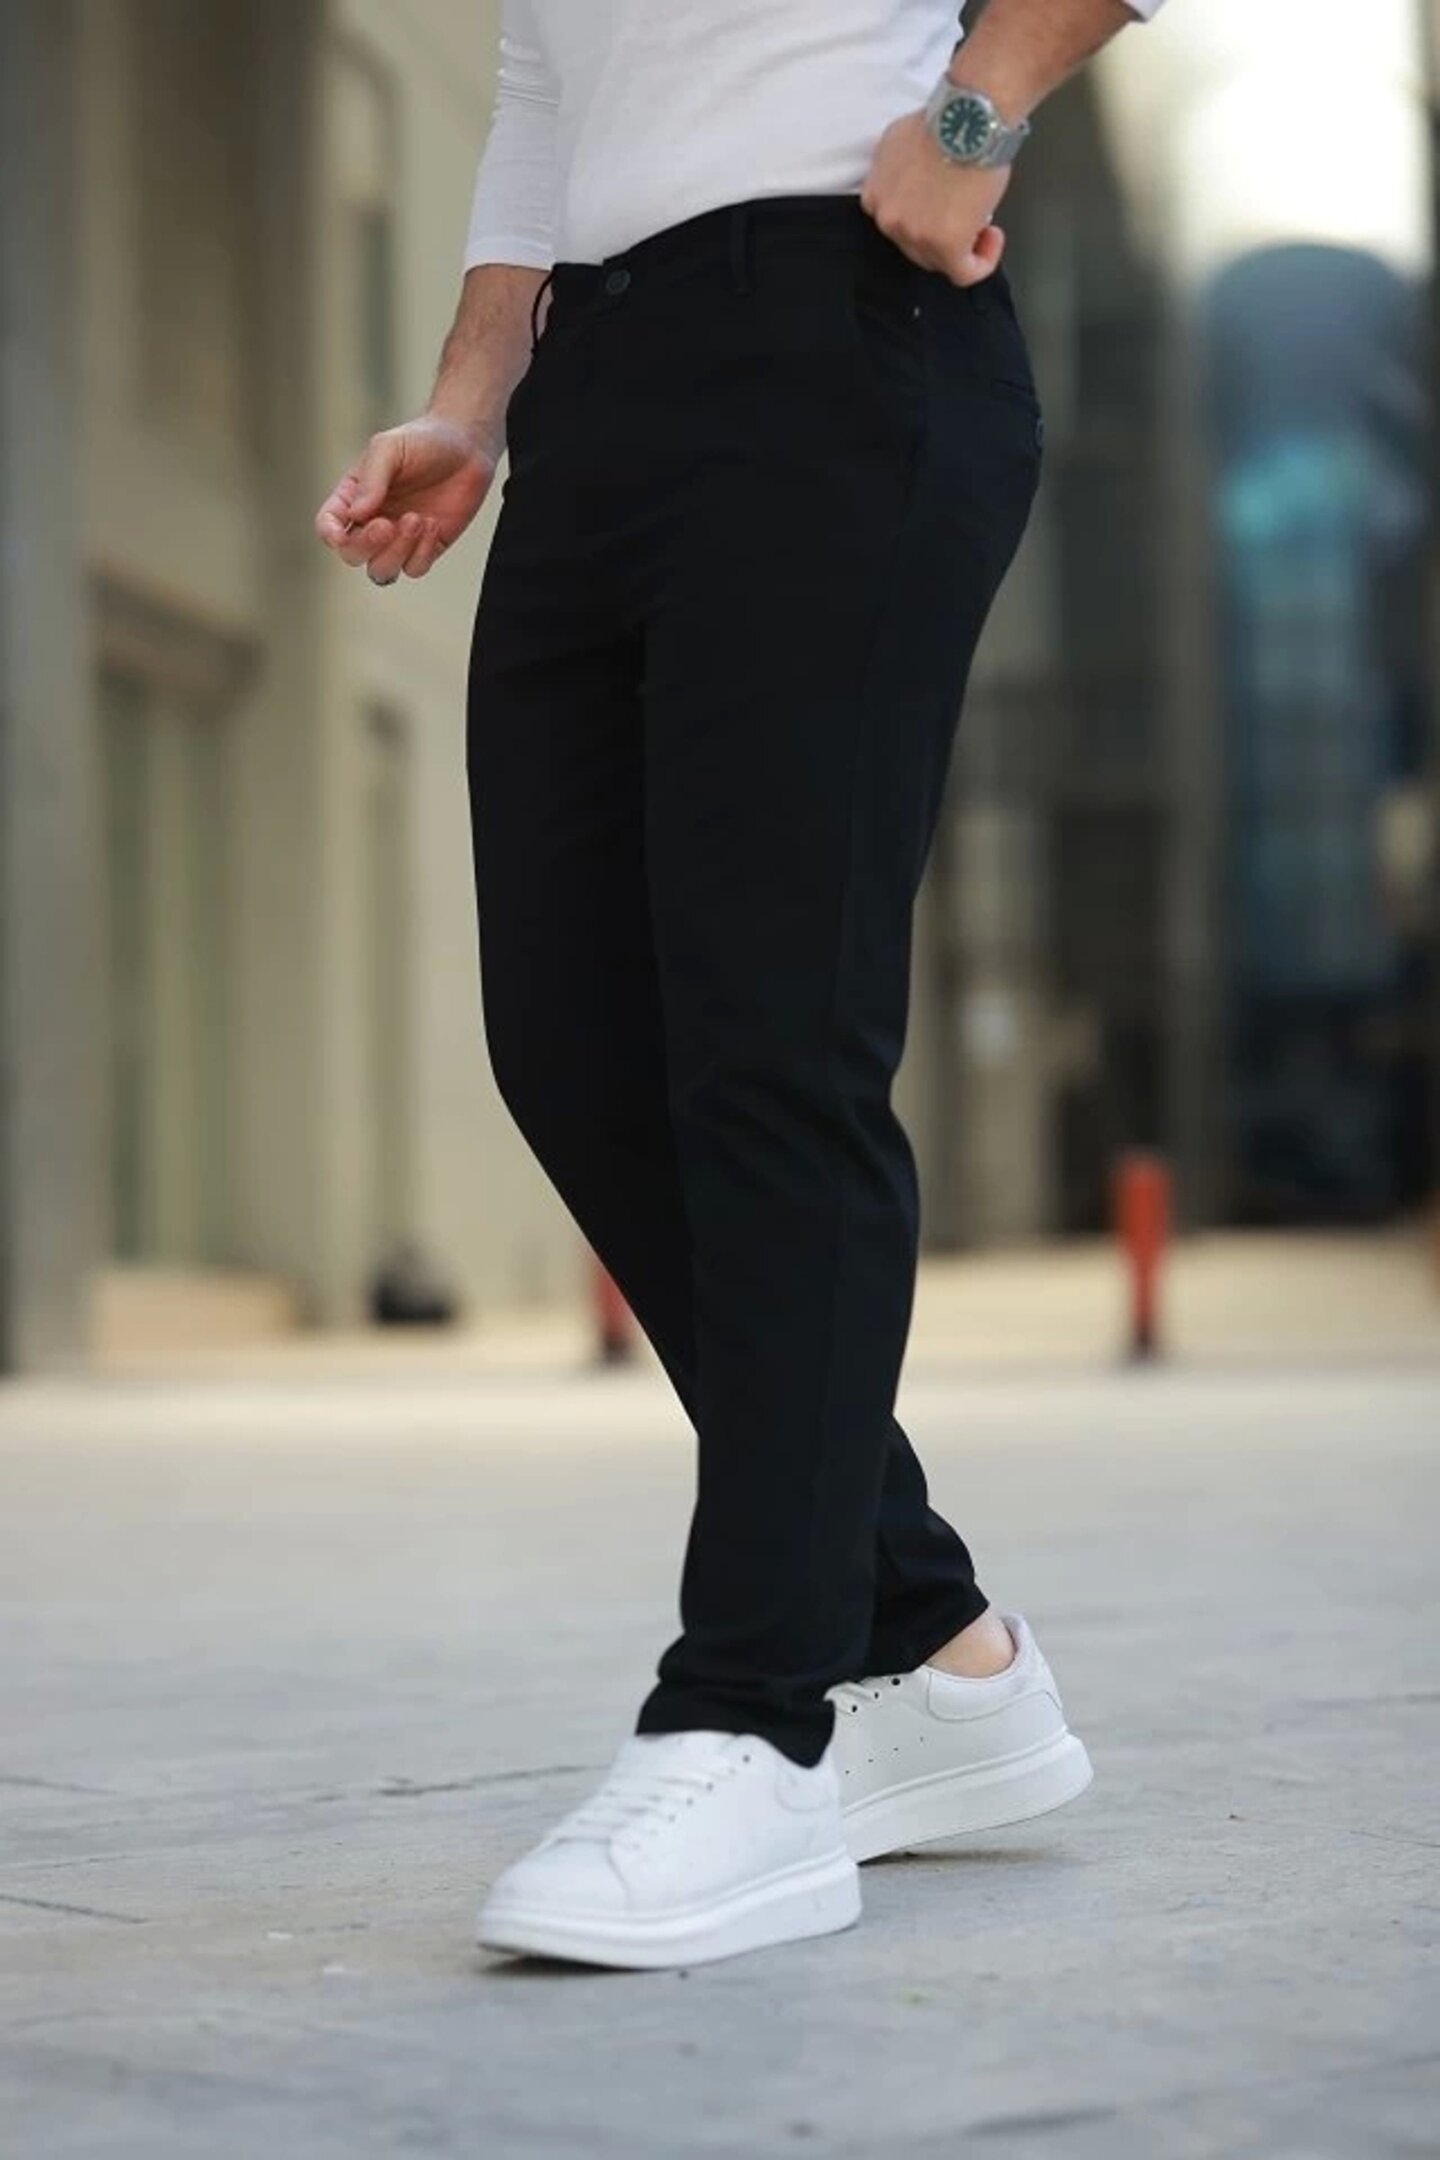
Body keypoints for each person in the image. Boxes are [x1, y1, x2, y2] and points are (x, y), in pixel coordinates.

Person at [316, 0, 1168, 1970]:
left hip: (839, 321)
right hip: (594, 386)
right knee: (570, 1037)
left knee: (774, 1044)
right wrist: (473, 400)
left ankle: (757, 1723)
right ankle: (933, 1644)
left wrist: (980, 110)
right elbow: (545, 84)